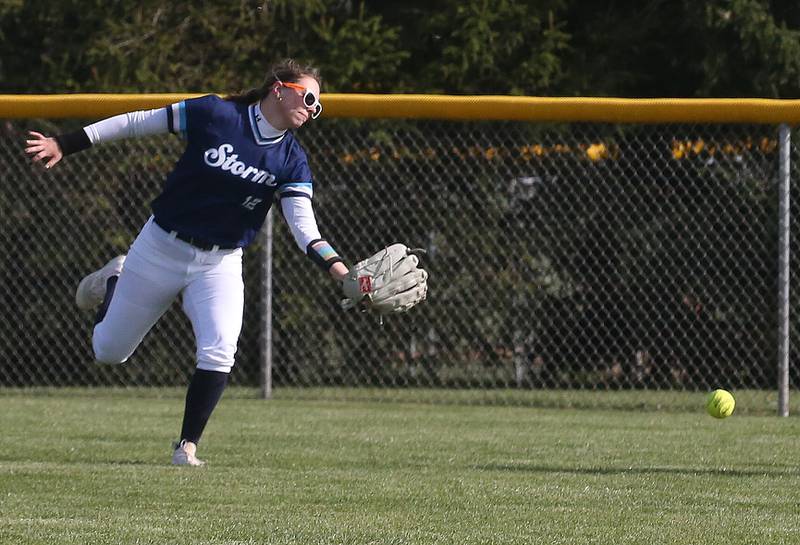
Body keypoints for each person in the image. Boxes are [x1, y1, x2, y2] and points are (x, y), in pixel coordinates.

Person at [25, 59, 350, 466]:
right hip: (161, 247)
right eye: (307, 97)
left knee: (219, 351)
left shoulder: (290, 159)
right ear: (278, 88)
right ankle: (115, 276)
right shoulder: (216, 114)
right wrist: (65, 143)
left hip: (220, 262)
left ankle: (186, 447)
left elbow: (305, 230)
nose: (312, 108)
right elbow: (134, 123)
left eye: (317, 105)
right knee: (109, 352)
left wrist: (343, 273)